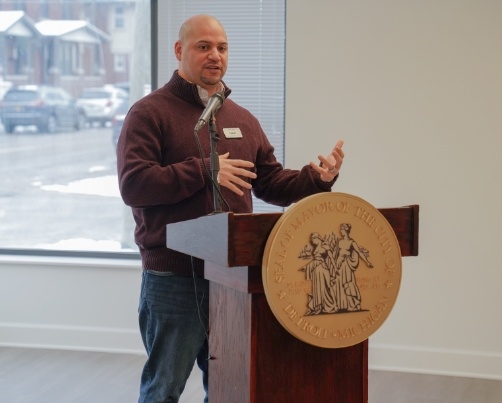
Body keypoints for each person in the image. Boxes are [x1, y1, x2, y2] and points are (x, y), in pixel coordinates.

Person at [116, 14, 344, 403]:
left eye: (221, 48)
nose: (215, 56)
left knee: (230, 387)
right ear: (179, 51)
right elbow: (134, 184)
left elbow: (270, 182)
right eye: (203, 46)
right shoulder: (149, 113)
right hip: (174, 279)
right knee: (164, 388)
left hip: (234, 276)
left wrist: (316, 179)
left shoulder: (241, 119)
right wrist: (207, 171)